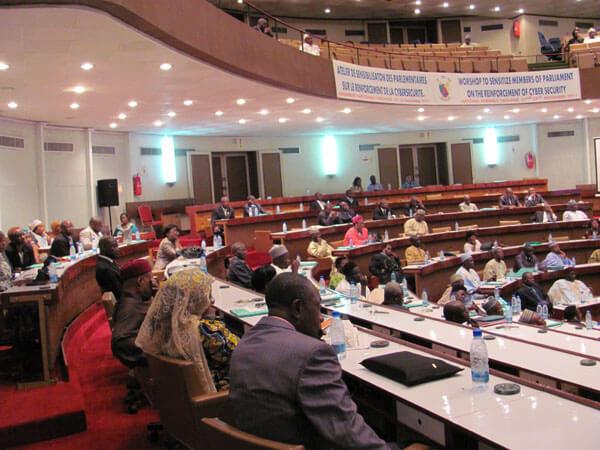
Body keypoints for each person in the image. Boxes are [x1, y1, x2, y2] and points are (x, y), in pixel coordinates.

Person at [229, 273, 397, 449]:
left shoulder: (244, 342)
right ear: (298, 308)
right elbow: (347, 434)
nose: (321, 318)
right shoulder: (312, 353)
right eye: (317, 308)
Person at [137, 268, 239, 391]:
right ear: (193, 301)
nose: (211, 301)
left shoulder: (157, 327)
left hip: (177, 396)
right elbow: (243, 355)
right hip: (217, 398)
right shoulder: (208, 331)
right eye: (208, 296)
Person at [111, 259, 154, 368]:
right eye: (150, 279)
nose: (153, 283)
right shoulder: (130, 306)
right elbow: (120, 342)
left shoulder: (133, 298)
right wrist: (154, 354)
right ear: (140, 280)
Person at [96, 236, 122, 302]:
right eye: (114, 246)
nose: (118, 249)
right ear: (104, 248)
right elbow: (119, 293)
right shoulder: (105, 269)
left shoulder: (108, 262)